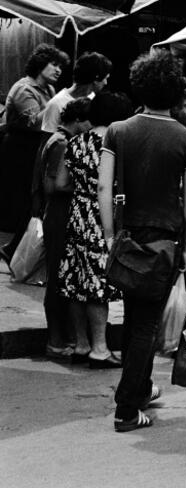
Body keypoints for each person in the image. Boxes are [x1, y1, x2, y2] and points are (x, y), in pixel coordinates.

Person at [98, 49, 186, 433]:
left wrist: (109, 237)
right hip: (165, 242)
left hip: (126, 240)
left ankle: (139, 387)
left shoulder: (118, 130)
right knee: (146, 326)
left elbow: (104, 187)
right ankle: (127, 408)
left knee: (133, 320)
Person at [60, 92, 134, 369]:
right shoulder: (116, 142)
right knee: (97, 286)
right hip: (101, 216)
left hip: (77, 214)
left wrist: (82, 188)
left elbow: (61, 182)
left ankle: (81, 344)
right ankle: (100, 349)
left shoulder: (76, 141)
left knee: (76, 281)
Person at [35, 98, 92, 361]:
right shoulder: (61, 143)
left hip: (59, 214)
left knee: (61, 276)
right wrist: (83, 186)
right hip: (59, 214)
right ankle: (56, 339)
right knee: (58, 278)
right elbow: (52, 185)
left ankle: (62, 337)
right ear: (79, 120)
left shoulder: (58, 140)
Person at [0, 44, 67, 266]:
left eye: (60, 66)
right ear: (40, 65)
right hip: (20, 146)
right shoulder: (24, 89)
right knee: (24, 197)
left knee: (31, 198)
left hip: (35, 146)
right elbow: (33, 122)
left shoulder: (48, 89)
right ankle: (14, 248)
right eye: (54, 65)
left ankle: (14, 247)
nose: (58, 70)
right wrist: (56, 105)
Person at [38, 52, 111, 134]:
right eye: (105, 78)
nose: (106, 83)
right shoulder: (56, 104)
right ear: (96, 78)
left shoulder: (94, 98)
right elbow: (49, 142)